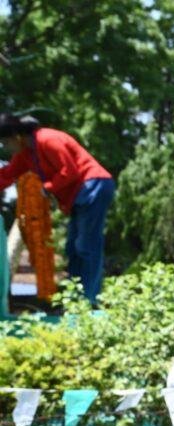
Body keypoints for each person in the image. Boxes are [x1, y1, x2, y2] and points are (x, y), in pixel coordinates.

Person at [0, 113, 114, 305]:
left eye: (5, 142)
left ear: (16, 136)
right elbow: (7, 175)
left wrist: (48, 188)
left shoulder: (47, 139)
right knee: (72, 249)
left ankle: (90, 300)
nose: (5, 147)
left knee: (86, 246)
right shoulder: (25, 154)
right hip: (78, 195)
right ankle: (75, 300)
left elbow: (69, 170)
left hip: (94, 186)